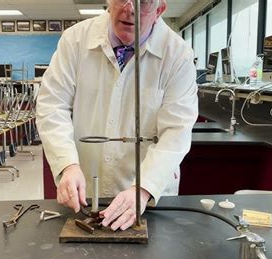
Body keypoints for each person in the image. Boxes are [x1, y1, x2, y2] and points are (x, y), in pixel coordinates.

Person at [36, 0, 198, 231]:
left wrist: (144, 188)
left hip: (148, 198)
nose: (130, 8)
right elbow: (52, 106)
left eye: (144, 2)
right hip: (84, 191)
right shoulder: (75, 40)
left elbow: (176, 131)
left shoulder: (177, 54)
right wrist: (67, 165)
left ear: (160, 10)